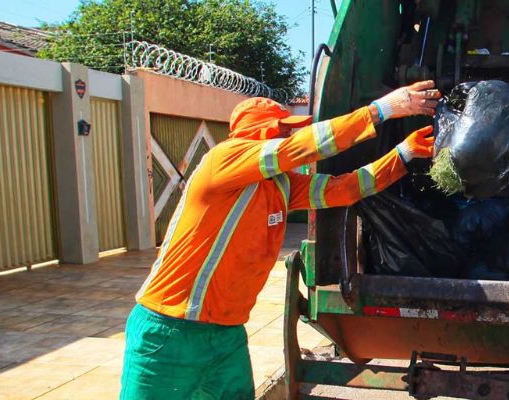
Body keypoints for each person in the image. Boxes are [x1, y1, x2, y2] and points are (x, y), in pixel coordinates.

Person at [120, 81, 442, 399]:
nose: (289, 136)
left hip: (227, 333)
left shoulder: (280, 185)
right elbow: (299, 148)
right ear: (258, 135)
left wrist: (403, 153)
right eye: (283, 130)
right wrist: (382, 110)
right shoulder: (223, 159)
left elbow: (345, 190)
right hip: (169, 329)